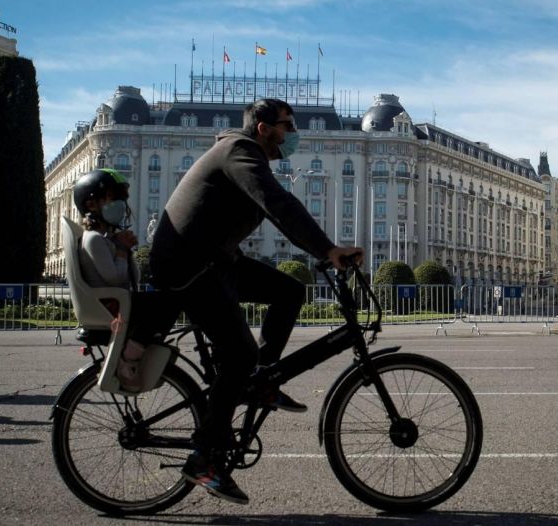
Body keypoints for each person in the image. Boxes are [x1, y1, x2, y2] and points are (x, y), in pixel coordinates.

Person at [150, 98, 363, 504]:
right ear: (264, 128)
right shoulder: (239, 151)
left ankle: (260, 382)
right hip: (189, 267)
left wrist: (320, 250)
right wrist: (328, 249)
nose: (293, 134)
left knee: (289, 291)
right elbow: (278, 204)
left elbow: (276, 209)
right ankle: (203, 458)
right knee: (239, 355)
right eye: (288, 126)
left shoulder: (247, 155)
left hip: (215, 261)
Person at [72, 169, 170, 390]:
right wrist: (122, 250)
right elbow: (115, 278)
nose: (120, 205)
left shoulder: (105, 239)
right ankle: (129, 358)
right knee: (166, 303)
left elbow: (132, 275)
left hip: (117, 302)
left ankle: (141, 349)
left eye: (121, 199)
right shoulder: (94, 239)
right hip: (112, 306)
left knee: (167, 302)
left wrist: (122, 248)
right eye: (112, 198)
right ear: (91, 204)